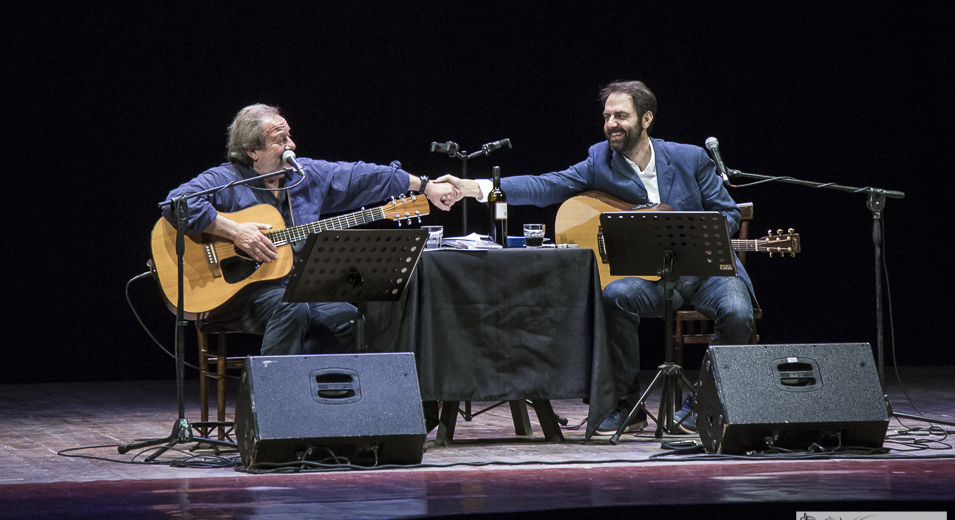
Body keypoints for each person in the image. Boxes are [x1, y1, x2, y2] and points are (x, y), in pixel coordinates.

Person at [436, 81, 756, 434]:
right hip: (654, 277)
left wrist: (689, 234)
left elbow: (728, 214)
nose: (611, 124)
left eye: (621, 115)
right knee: (615, 296)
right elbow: (547, 186)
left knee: (738, 313)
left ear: (646, 118)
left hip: (704, 270)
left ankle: (703, 404)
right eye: (607, 117)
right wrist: (473, 188)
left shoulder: (689, 157)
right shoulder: (599, 160)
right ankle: (628, 404)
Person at [162, 103, 461, 356]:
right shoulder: (226, 178)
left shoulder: (304, 174)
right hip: (234, 294)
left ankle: (317, 403)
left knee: (349, 319)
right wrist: (234, 231)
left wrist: (424, 185)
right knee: (291, 309)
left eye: (289, 136)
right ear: (252, 151)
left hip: (293, 289)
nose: (291, 145)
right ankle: (274, 406)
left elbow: (361, 176)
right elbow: (176, 204)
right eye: (281, 139)